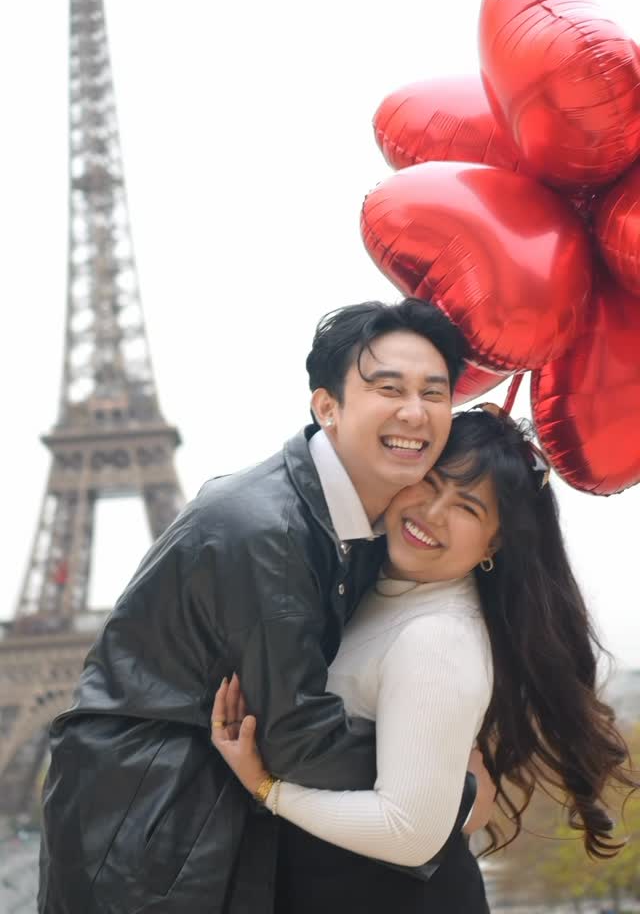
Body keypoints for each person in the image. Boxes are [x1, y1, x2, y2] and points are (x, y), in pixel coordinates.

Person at [38, 299, 493, 914]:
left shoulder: (355, 521)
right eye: (389, 388)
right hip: (152, 830)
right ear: (326, 407)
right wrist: (450, 787)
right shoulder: (266, 531)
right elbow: (296, 739)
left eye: (433, 393)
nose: (414, 412)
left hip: (185, 811)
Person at [211, 407, 638, 914]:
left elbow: (409, 832)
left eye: (467, 508)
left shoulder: (437, 637)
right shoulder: (375, 587)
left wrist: (266, 788)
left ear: (495, 541)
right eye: (430, 482)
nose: (433, 513)